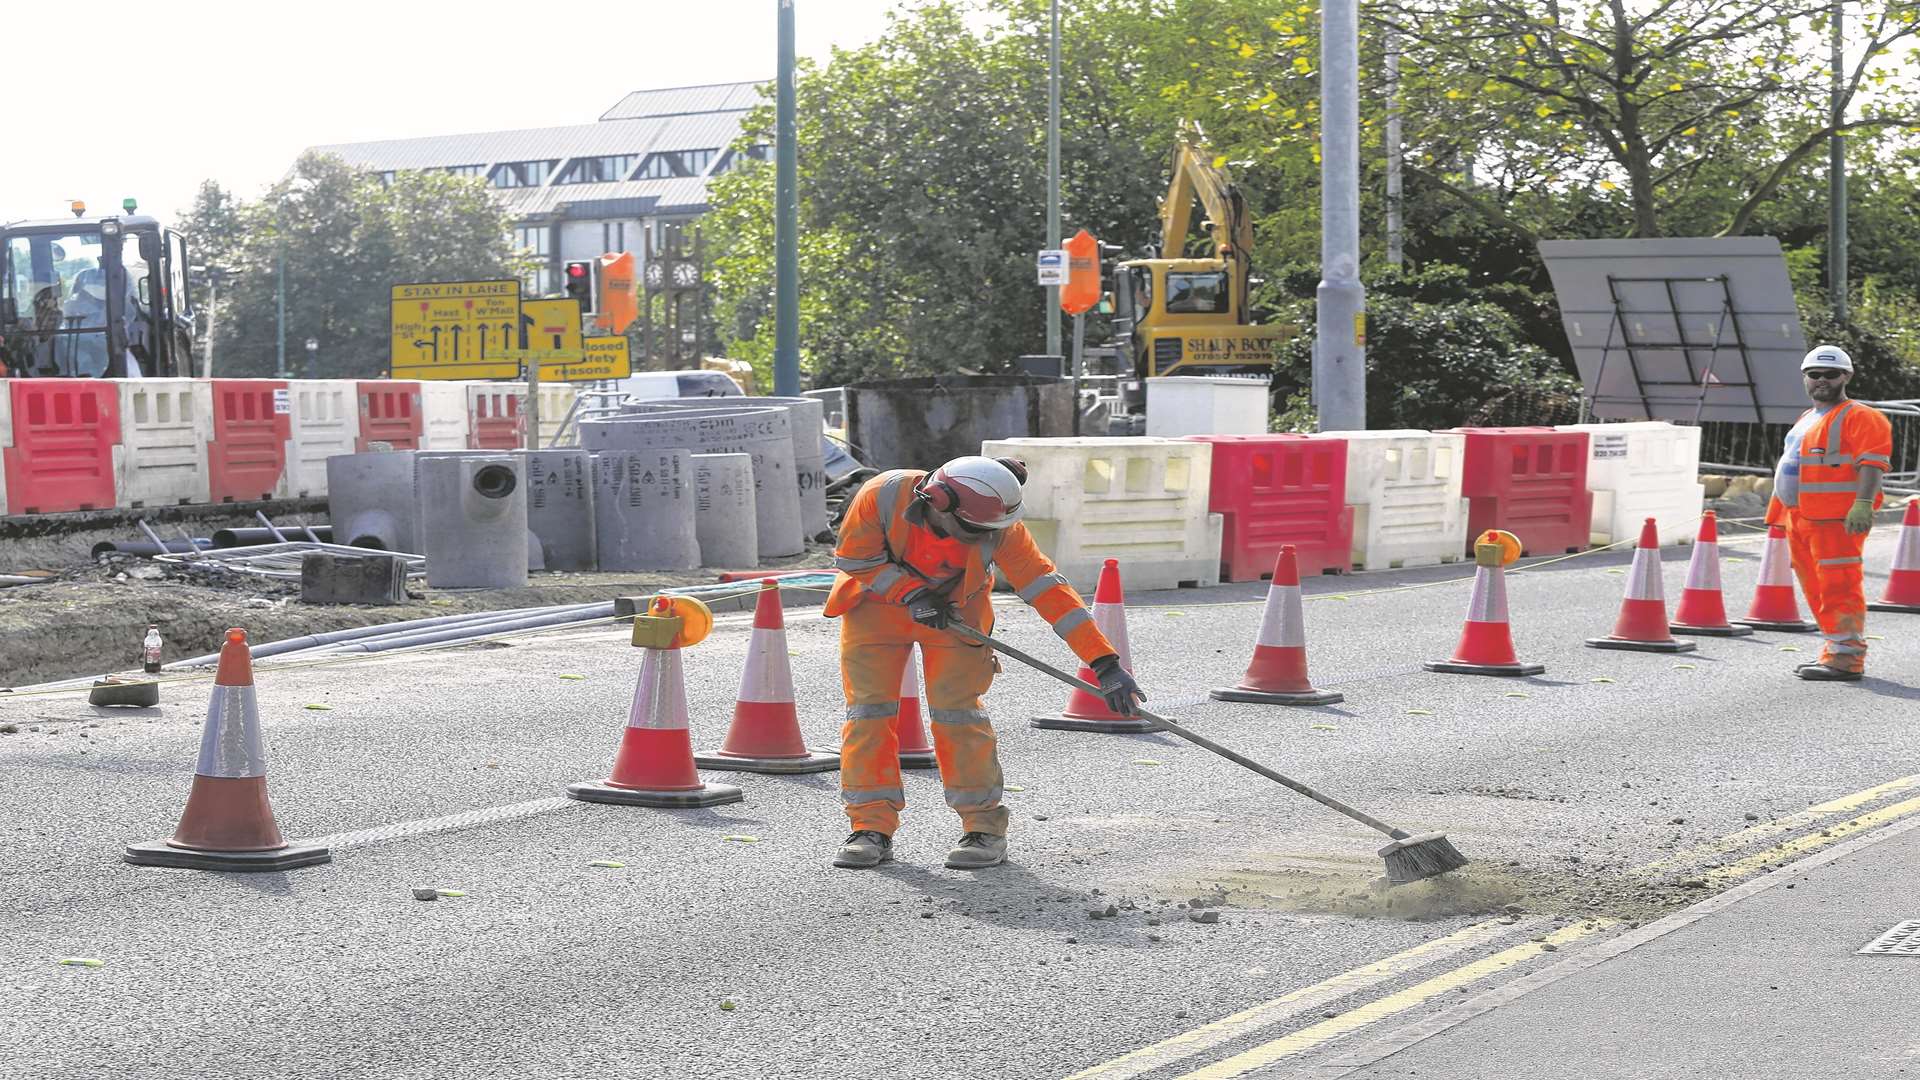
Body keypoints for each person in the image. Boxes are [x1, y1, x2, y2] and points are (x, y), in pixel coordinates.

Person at [824, 455, 1143, 870]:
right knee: (869, 715)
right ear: (938, 504)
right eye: (973, 530)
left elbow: (1047, 589)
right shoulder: (881, 495)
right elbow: (855, 558)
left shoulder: (1000, 528)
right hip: (875, 609)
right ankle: (870, 827)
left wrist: (1104, 662)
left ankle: (984, 830)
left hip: (957, 612)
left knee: (958, 718)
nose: (982, 539)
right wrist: (912, 594)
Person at [1766, 345, 1893, 681]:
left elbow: (1873, 462)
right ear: (1805, 378)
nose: (1822, 380)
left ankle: (1847, 658)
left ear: (1846, 376)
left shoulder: (1862, 417)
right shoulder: (1807, 418)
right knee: (1817, 589)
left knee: (1839, 585)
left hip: (1835, 519)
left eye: (1830, 374)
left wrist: (1863, 503)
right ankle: (1834, 651)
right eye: (1814, 374)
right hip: (1801, 516)